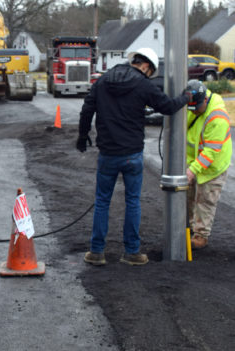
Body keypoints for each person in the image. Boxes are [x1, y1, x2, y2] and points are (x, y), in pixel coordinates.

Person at [77, 47, 190, 266]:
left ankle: (97, 252)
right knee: (132, 202)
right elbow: (167, 107)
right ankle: (131, 253)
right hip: (132, 155)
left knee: (102, 201)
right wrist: (185, 97)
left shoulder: (103, 80)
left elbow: (87, 109)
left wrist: (83, 136)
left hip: (108, 153)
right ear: (146, 66)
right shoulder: (143, 84)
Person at [184, 79, 232, 249]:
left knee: (204, 201)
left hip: (213, 167)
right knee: (188, 198)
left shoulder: (217, 118)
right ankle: (189, 230)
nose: (194, 112)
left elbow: (210, 152)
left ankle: (200, 236)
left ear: (204, 100)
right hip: (193, 162)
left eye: (196, 108)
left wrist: (191, 171)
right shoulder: (193, 106)